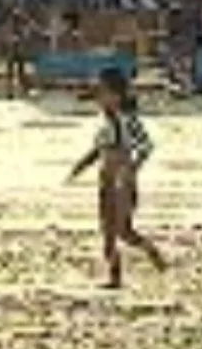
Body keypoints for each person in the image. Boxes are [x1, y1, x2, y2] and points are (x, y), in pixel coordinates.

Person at [66, 66, 166, 288]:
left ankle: (151, 251)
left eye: (103, 93)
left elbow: (146, 146)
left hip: (123, 183)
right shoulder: (107, 123)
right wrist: (80, 167)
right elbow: (98, 151)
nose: (100, 99)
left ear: (116, 96)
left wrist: (132, 168)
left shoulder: (128, 121)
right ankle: (114, 276)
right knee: (107, 232)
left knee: (124, 230)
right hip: (106, 180)